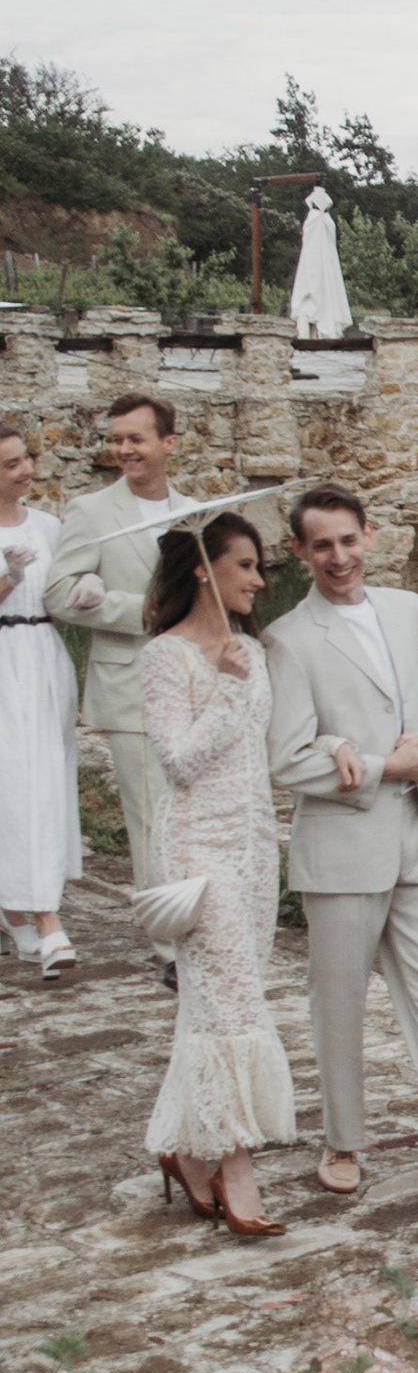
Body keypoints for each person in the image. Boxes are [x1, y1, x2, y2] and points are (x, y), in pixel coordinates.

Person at [264, 483, 418, 1199]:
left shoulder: (406, 610)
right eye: (322, 545)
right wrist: (386, 765)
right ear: (299, 550)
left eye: (348, 541)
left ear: (370, 536)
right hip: (342, 849)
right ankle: (343, 1140)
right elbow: (287, 759)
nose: (339, 557)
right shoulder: (288, 638)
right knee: (340, 1005)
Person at [138, 513, 297, 1236]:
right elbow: (178, 762)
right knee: (231, 1010)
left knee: (214, 1004)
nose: (259, 581)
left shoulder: (251, 650)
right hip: (197, 849)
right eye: (246, 566)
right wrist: (227, 688)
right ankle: (237, 1166)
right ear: (205, 568)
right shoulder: (165, 657)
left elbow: (260, 753)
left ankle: (182, 1149)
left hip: (254, 846)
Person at [46, 389, 184, 898]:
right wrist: (141, 611)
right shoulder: (91, 511)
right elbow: (58, 594)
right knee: (150, 815)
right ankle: (164, 929)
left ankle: (199, 917)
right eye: (116, 440)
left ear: (168, 443)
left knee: (191, 812)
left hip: (194, 681)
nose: (124, 449)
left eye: (136, 439)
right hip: (131, 684)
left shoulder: (198, 513)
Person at [0, 421, 81, 972]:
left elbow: (61, 595)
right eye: (11, 464)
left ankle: (18, 909)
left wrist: (83, 593)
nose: (26, 469)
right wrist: (7, 578)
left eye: (26, 457)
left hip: (45, 657)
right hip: (3, 659)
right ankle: (42, 917)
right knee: (14, 786)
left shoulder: (49, 526)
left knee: (48, 782)